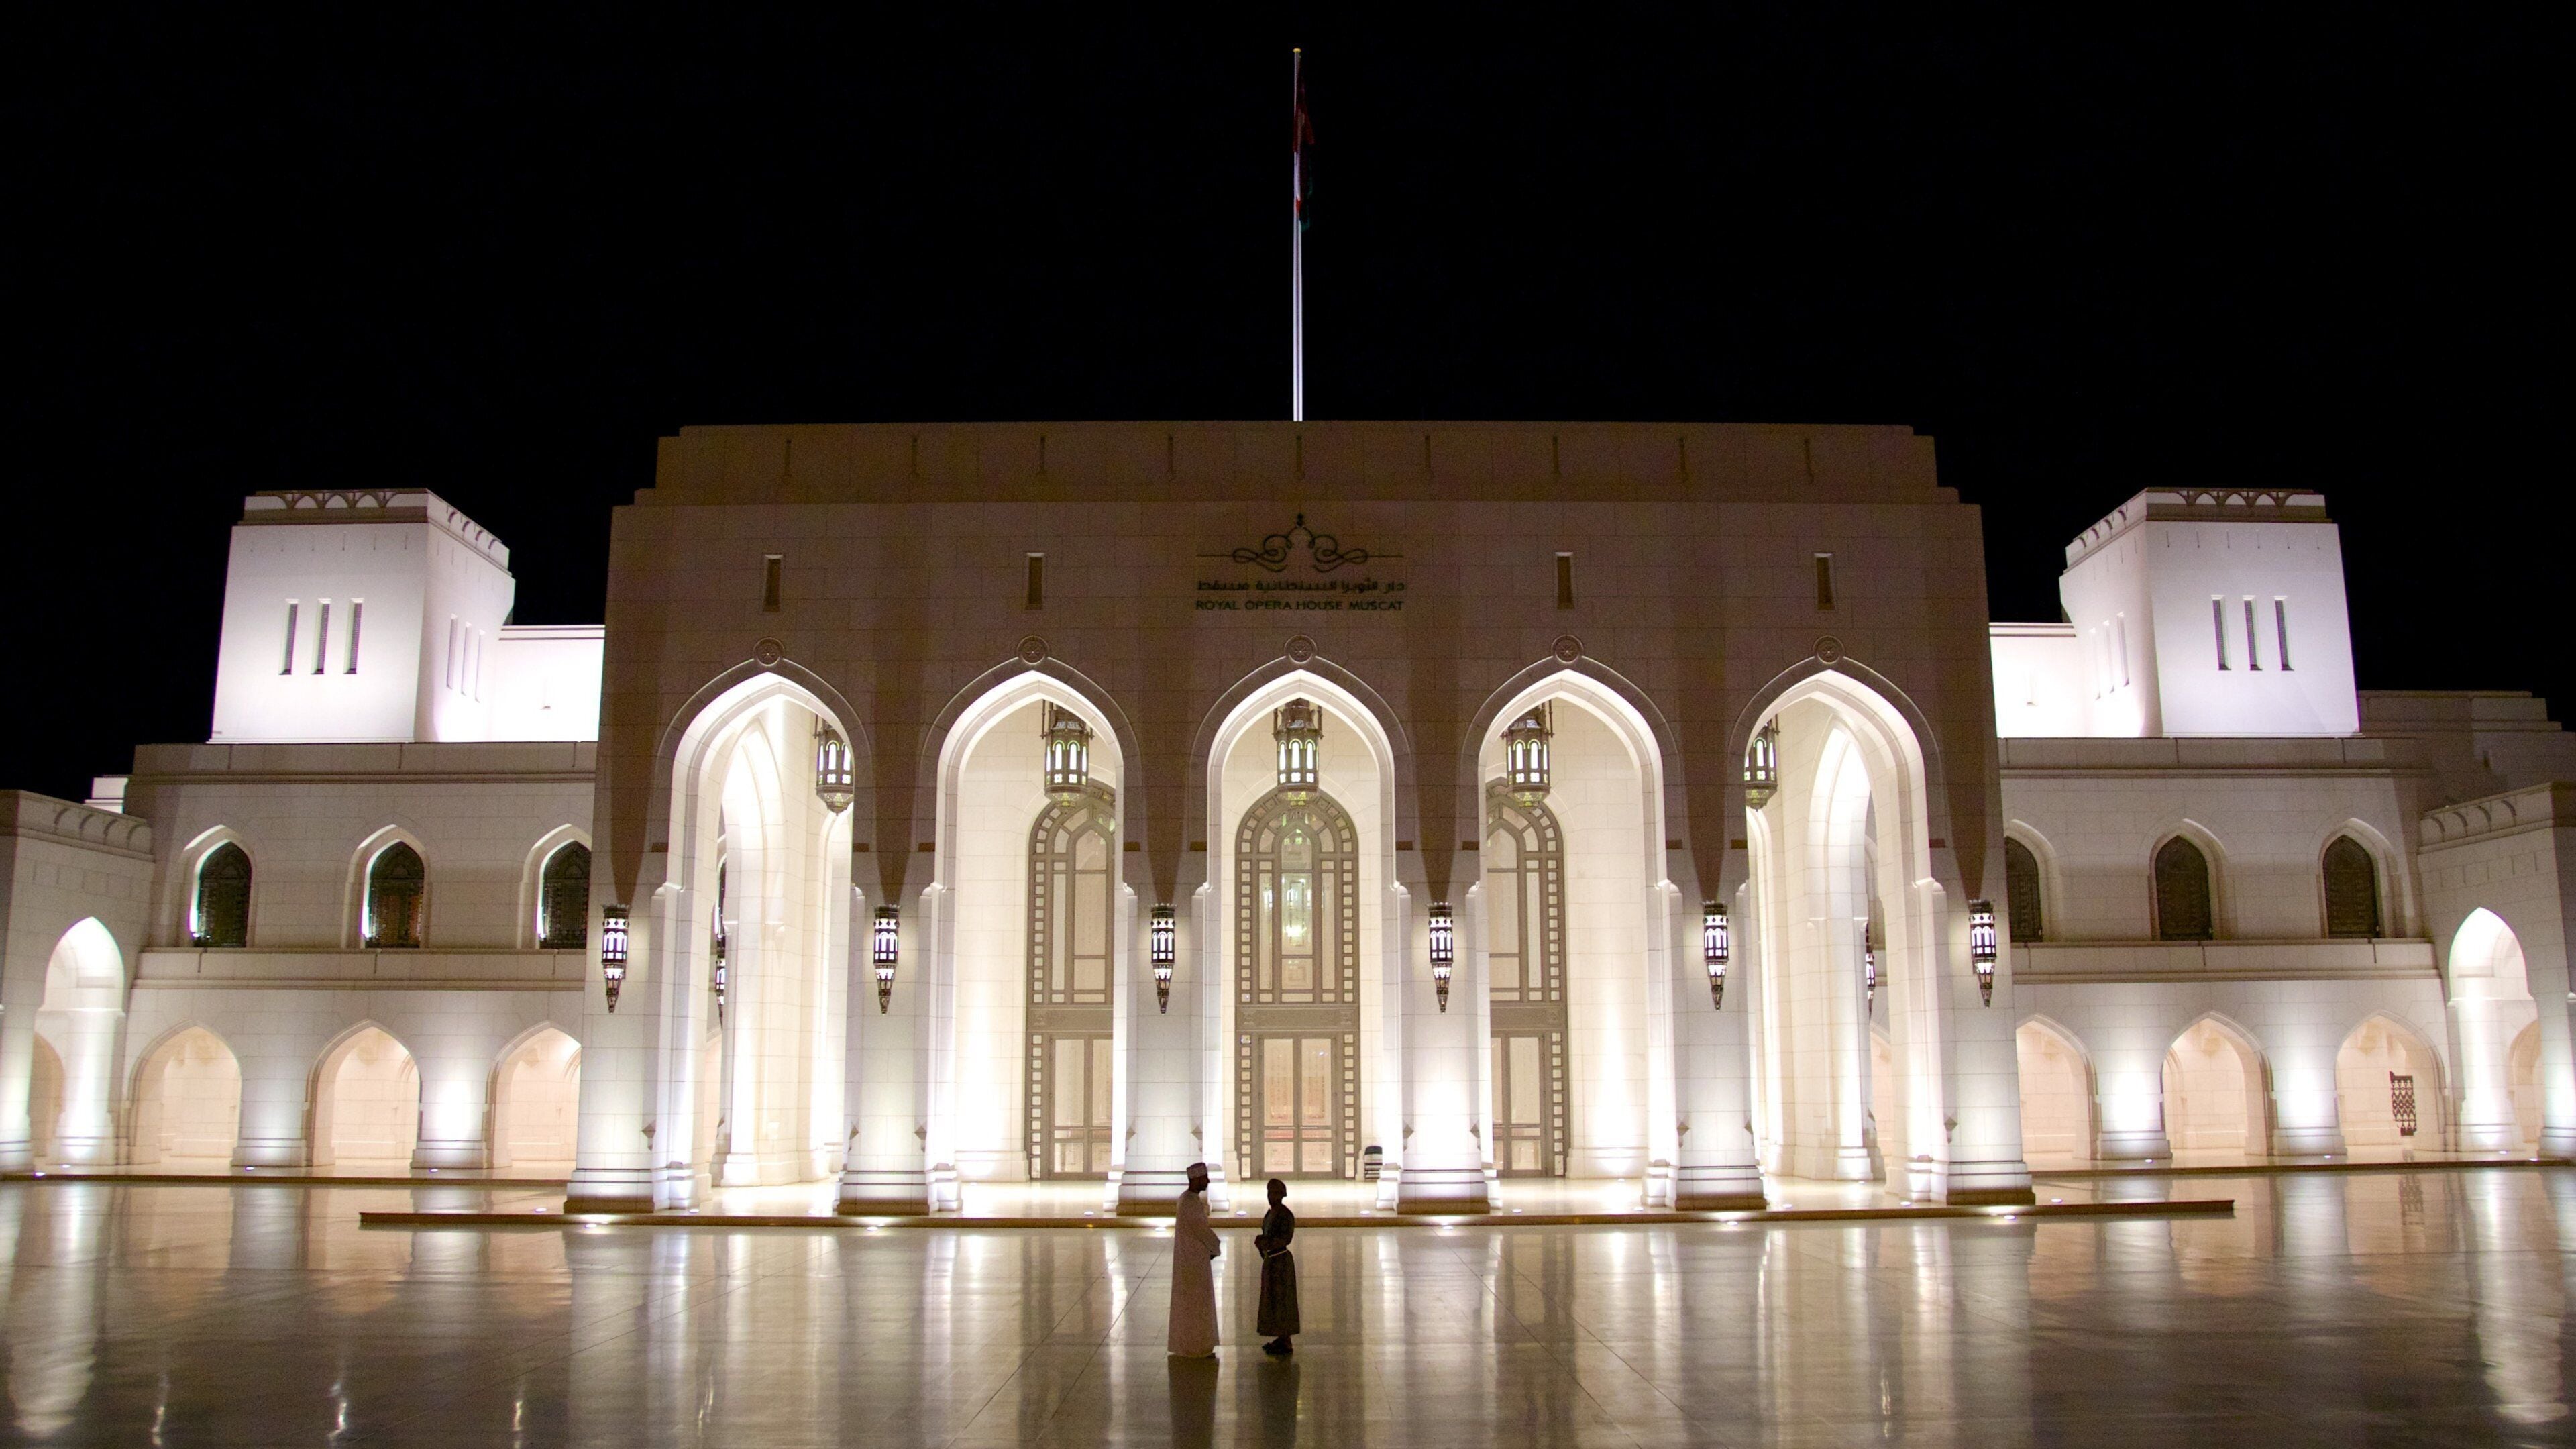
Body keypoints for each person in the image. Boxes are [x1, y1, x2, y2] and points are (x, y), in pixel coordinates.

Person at [1168, 1161, 1221, 1357]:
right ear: (1196, 1179)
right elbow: (1201, 1230)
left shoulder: (1187, 1199)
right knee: (1196, 1305)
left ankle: (1196, 1345)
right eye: (1204, 1178)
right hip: (1193, 1262)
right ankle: (1196, 1347)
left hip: (1192, 1259)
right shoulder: (1190, 1203)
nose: (1207, 1181)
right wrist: (1216, 1246)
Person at [1254, 1177, 1300, 1354]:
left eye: (1274, 1193)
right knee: (1272, 1301)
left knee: (1283, 1301)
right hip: (1271, 1262)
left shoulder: (1285, 1215)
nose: (1270, 1197)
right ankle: (1280, 1337)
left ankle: (1286, 1340)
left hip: (1281, 1263)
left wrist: (1266, 1242)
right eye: (1269, 1193)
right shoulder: (1271, 1213)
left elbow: (1284, 1239)